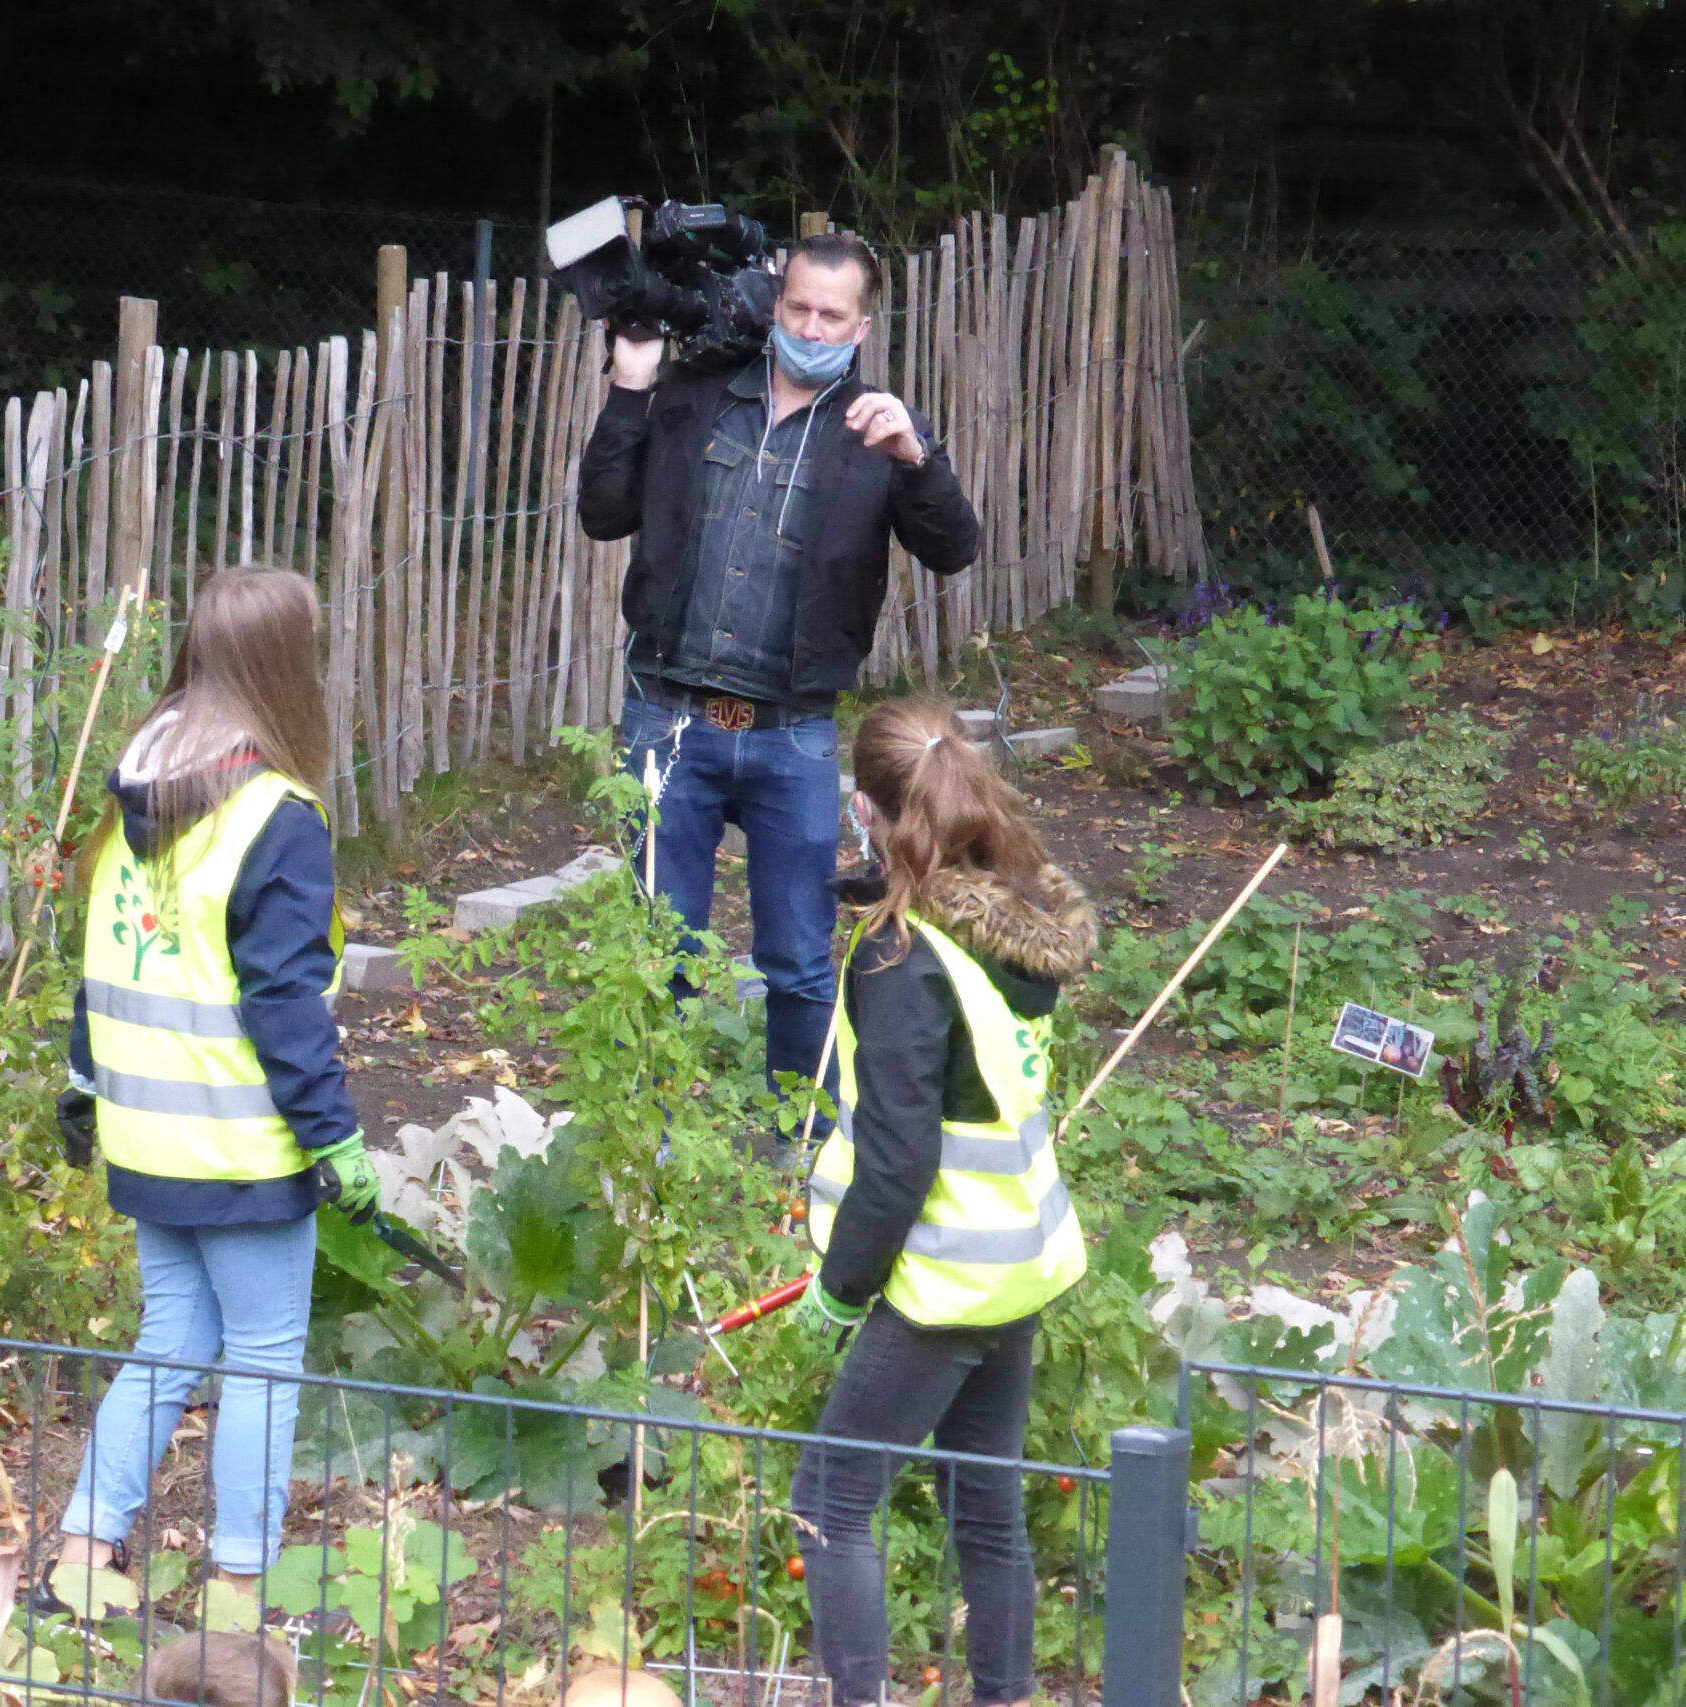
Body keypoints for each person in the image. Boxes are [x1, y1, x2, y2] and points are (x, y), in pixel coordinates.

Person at [38, 566, 381, 1612]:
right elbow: (284, 1002)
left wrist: (83, 1082)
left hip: (147, 1136)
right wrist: (335, 1138)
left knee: (172, 1340)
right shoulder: (275, 815)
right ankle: (237, 1587)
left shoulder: (136, 795)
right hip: (241, 1148)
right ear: (287, 665)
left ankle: (81, 1558)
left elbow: (106, 963)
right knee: (264, 1360)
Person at [578, 232, 981, 1100]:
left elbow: (955, 548)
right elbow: (603, 512)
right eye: (797, 307)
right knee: (658, 953)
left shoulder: (877, 428)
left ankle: (798, 1143)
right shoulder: (698, 396)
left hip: (791, 731)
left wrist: (917, 458)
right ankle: (650, 1142)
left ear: (861, 327)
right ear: (776, 305)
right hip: (668, 716)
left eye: (832, 315)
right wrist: (631, 385)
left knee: (798, 961)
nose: (810, 327)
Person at [792, 698, 1096, 1707]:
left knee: (830, 1501)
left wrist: (840, 1291)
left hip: (941, 1282)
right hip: (1017, 1266)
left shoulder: (899, 959)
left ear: (866, 810)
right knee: (986, 1512)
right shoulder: (1012, 928)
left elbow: (896, 1162)